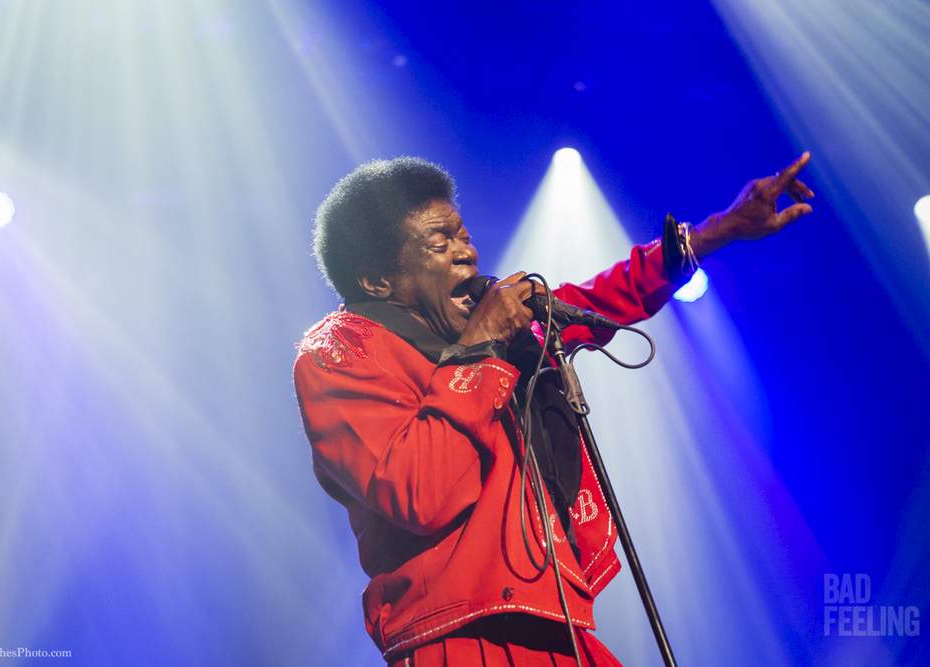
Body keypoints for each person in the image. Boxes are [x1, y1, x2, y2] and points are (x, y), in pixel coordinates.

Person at [293, 154, 814, 666]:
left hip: (556, 619)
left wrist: (718, 230)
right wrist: (479, 351)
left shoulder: (489, 328)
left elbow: (597, 300)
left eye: (463, 234)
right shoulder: (340, 352)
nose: (466, 254)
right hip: (457, 633)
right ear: (377, 282)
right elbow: (418, 491)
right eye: (439, 242)